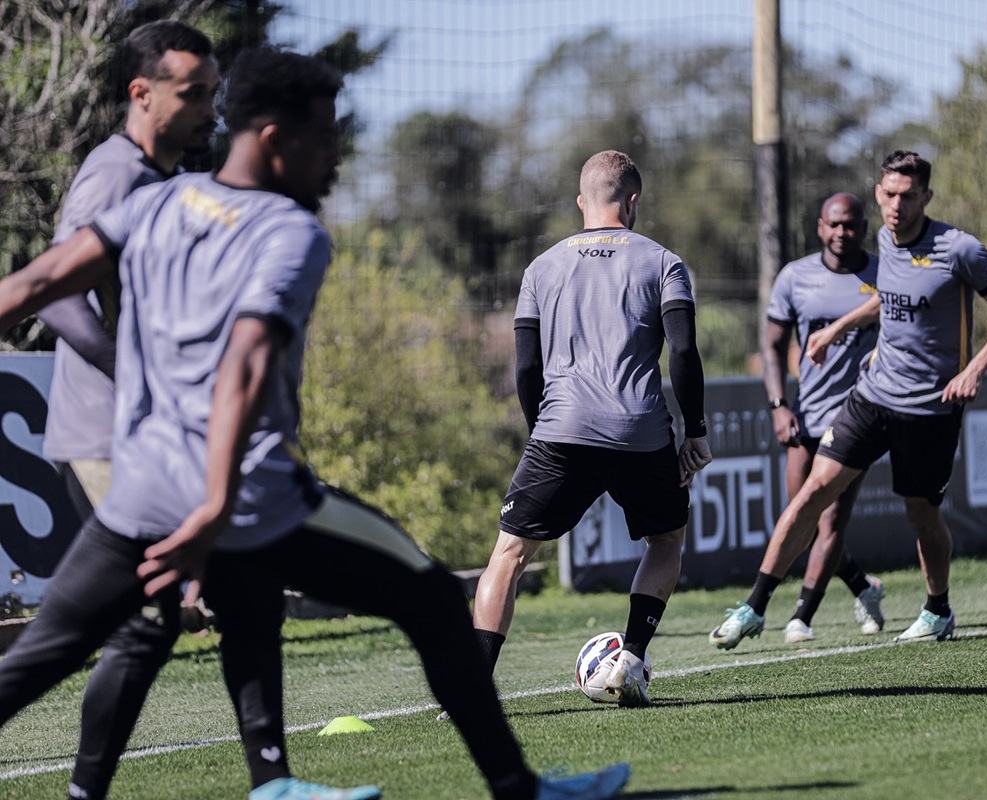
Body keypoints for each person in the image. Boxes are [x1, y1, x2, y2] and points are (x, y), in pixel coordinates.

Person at [0, 48, 629, 800]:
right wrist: (214, 505)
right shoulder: (288, 232)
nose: (337, 160)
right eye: (326, 140)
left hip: (139, 495)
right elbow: (246, 362)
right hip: (247, 498)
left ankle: (267, 784)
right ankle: (517, 789)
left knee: (50, 655)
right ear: (274, 140)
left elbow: (33, 283)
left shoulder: (156, 204)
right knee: (429, 595)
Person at [708, 150, 987, 648]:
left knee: (920, 514)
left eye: (907, 196)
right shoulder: (884, 239)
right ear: (878, 193)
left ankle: (938, 610)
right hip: (872, 393)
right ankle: (754, 607)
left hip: (930, 406)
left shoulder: (959, 249)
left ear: (926, 196)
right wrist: (835, 328)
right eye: (887, 195)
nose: (895, 206)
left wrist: (975, 369)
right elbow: (889, 295)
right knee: (814, 492)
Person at [34, 20, 220, 800]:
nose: (212, 108)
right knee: (124, 624)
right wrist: (130, 373)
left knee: (175, 612)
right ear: (141, 94)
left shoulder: (166, 179)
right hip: (107, 438)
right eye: (194, 93)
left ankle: (271, 774)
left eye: (215, 92)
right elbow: (57, 293)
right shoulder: (114, 174)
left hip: (146, 438)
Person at [471, 150, 712, 707]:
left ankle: (472, 689)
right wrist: (695, 430)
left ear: (582, 202)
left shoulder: (541, 267)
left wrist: (542, 430)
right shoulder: (664, 263)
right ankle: (630, 658)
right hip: (642, 432)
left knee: (508, 555)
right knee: (666, 539)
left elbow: (526, 368)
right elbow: (683, 352)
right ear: (633, 202)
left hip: (560, 429)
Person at [710, 192, 884, 649]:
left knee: (829, 523)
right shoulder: (796, 277)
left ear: (863, 228)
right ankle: (864, 587)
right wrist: (777, 404)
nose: (842, 232)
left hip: (858, 415)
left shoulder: (883, 276)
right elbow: (770, 345)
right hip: (805, 413)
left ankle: (800, 615)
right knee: (799, 518)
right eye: (834, 224)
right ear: (820, 228)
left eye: (851, 224)